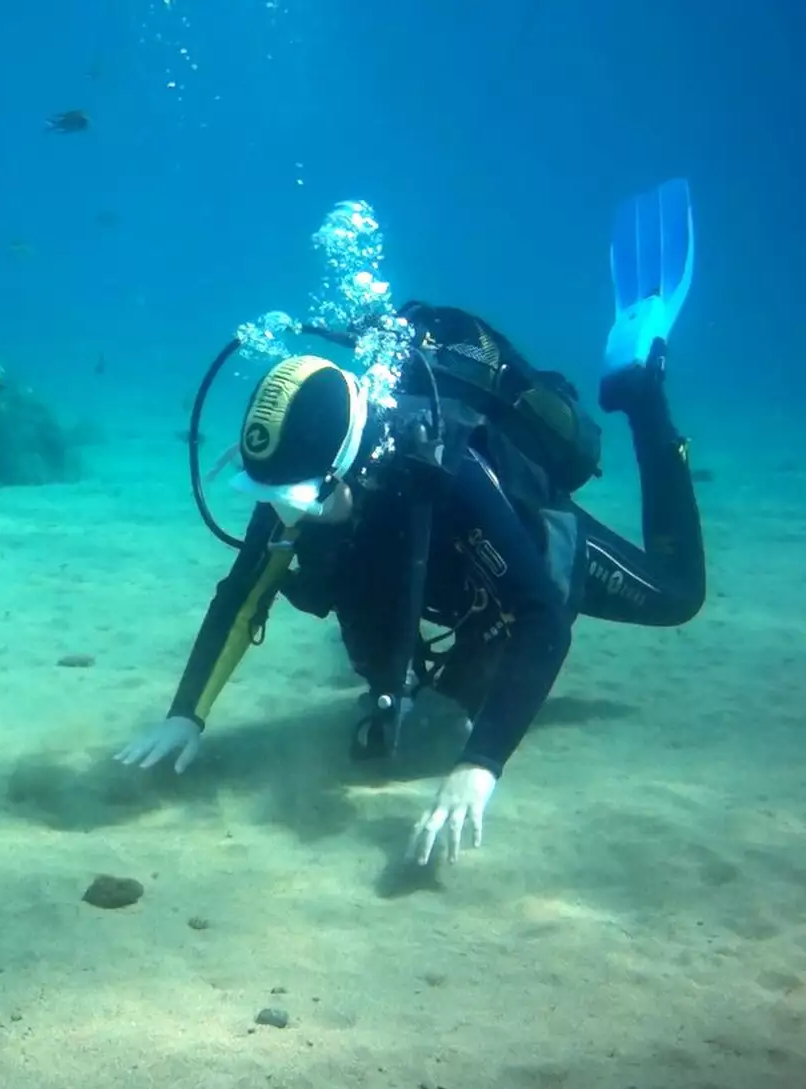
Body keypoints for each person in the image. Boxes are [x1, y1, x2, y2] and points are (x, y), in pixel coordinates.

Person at [116, 243, 705, 866]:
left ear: (348, 468)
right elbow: (242, 597)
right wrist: (187, 715)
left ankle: (642, 394)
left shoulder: (446, 473)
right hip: (428, 575)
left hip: (526, 550)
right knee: (404, 712)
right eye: (269, 495)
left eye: (293, 498)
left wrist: (482, 765)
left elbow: (544, 621)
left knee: (678, 595)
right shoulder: (301, 482)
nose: (281, 515)